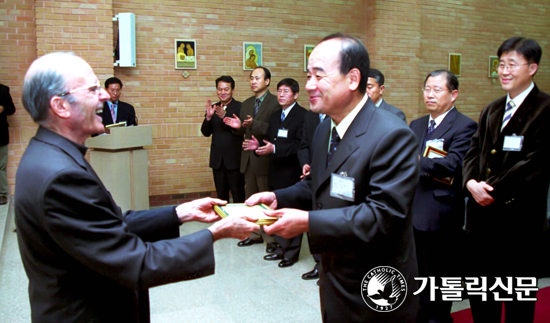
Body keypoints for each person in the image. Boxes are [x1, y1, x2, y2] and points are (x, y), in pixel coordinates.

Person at [15, 52, 260, 323]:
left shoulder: (53, 155)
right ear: (60, 105)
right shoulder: (59, 176)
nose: (106, 96)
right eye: (93, 89)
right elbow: (137, 262)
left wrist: (180, 212)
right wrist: (214, 234)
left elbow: (111, 223)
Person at [246, 33, 420, 322]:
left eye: (319, 76)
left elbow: (383, 215)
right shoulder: (324, 128)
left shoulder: (392, 135)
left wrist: (307, 222)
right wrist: (279, 197)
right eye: (307, 75)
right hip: (335, 273)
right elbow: (319, 184)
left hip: (376, 283)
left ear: (353, 79)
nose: (309, 85)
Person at [463, 37, 550, 322]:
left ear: (533, 67)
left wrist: (491, 189)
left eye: (512, 64)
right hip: (481, 222)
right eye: (501, 64)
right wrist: (470, 183)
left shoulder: (545, 109)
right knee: (482, 297)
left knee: (516, 301)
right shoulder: (492, 109)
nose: (504, 71)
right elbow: (473, 151)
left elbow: (536, 163)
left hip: (519, 224)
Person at [409, 70, 477, 323]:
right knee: (418, 271)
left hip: (440, 211)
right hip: (413, 208)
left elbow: (453, 164)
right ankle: (420, 313)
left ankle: (439, 318)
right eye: (427, 88)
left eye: (437, 90)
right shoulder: (416, 125)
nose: (430, 94)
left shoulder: (464, 125)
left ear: (453, 94)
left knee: (440, 271)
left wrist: (416, 161)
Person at [243, 78, 306, 268]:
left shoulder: (303, 115)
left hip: (293, 171)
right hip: (275, 169)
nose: (281, 95)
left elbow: (299, 145)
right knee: (276, 210)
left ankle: (292, 252)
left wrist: (276, 148)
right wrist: (258, 146)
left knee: (292, 211)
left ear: (295, 95)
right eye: (279, 91)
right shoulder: (276, 114)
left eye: (286, 91)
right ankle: (280, 247)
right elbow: (270, 141)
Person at [224, 66, 280, 252]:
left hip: (264, 158)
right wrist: (237, 126)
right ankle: (255, 234)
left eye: (257, 78)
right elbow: (242, 130)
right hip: (247, 158)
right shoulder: (246, 103)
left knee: (266, 201)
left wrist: (254, 124)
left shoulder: (275, 102)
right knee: (251, 200)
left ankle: (271, 239)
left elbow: (274, 129)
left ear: (267, 81)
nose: (253, 81)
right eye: (251, 78)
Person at [201, 76, 245, 203]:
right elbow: (205, 132)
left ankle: (239, 222)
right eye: (220, 89)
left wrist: (225, 117)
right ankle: (224, 221)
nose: (223, 92)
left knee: (238, 195)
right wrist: (208, 118)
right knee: (221, 196)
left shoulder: (240, 107)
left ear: (233, 90)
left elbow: (241, 130)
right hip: (217, 161)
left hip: (234, 160)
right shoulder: (213, 108)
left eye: (226, 89)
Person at [297, 109, 328, 282]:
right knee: (313, 220)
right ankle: (318, 263)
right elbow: (304, 144)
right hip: (312, 176)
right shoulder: (310, 115)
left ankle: (327, 265)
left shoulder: (338, 114)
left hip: (330, 177)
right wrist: (306, 164)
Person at [0, 83, 16, 205]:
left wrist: (3, 108)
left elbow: (12, 109)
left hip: (0, 135)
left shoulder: (3, 90)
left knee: (1, 167)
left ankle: (2, 194)